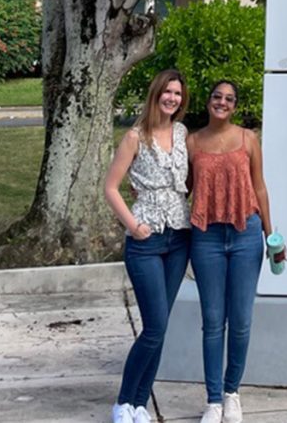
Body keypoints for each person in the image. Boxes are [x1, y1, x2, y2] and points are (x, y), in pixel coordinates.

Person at [104, 69, 192, 423]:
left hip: (179, 237)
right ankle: (122, 402)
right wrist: (133, 225)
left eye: (178, 93)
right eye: (167, 92)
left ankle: (140, 404)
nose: (172, 98)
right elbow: (111, 187)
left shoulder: (183, 133)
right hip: (146, 241)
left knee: (162, 326)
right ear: (156, 94)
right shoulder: (135, 137)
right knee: (154, 327)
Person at [187, 81, 275, 423]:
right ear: (208, 102)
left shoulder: (248, 139)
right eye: (216, 97)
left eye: (229, 99)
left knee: (240, 322)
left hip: (245, 235)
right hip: (206, 237)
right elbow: (183, 189)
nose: (221, 102)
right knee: (212, 322)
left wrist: (271, 236)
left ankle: (231, 393)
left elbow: (260, 187)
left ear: (235, 107)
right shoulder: (193, 142)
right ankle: (212, 400)